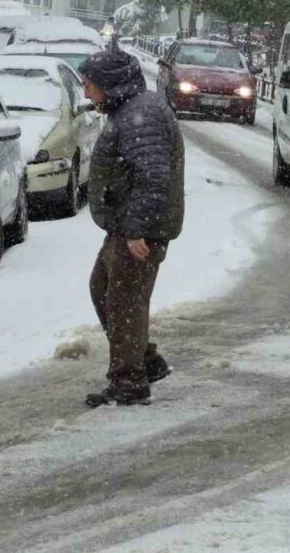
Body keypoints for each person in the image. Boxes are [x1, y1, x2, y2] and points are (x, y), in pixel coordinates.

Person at [79, 50, 185, 408]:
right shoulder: (130, 110)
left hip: (139, 229)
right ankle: (145, 361)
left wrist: (138, 229)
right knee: (104, 290)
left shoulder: (141, 115)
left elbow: (154, 177)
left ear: (110, 83)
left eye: (89, 84)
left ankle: (129, 381)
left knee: (124, 301)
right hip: (127, 224)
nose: (85, 91)